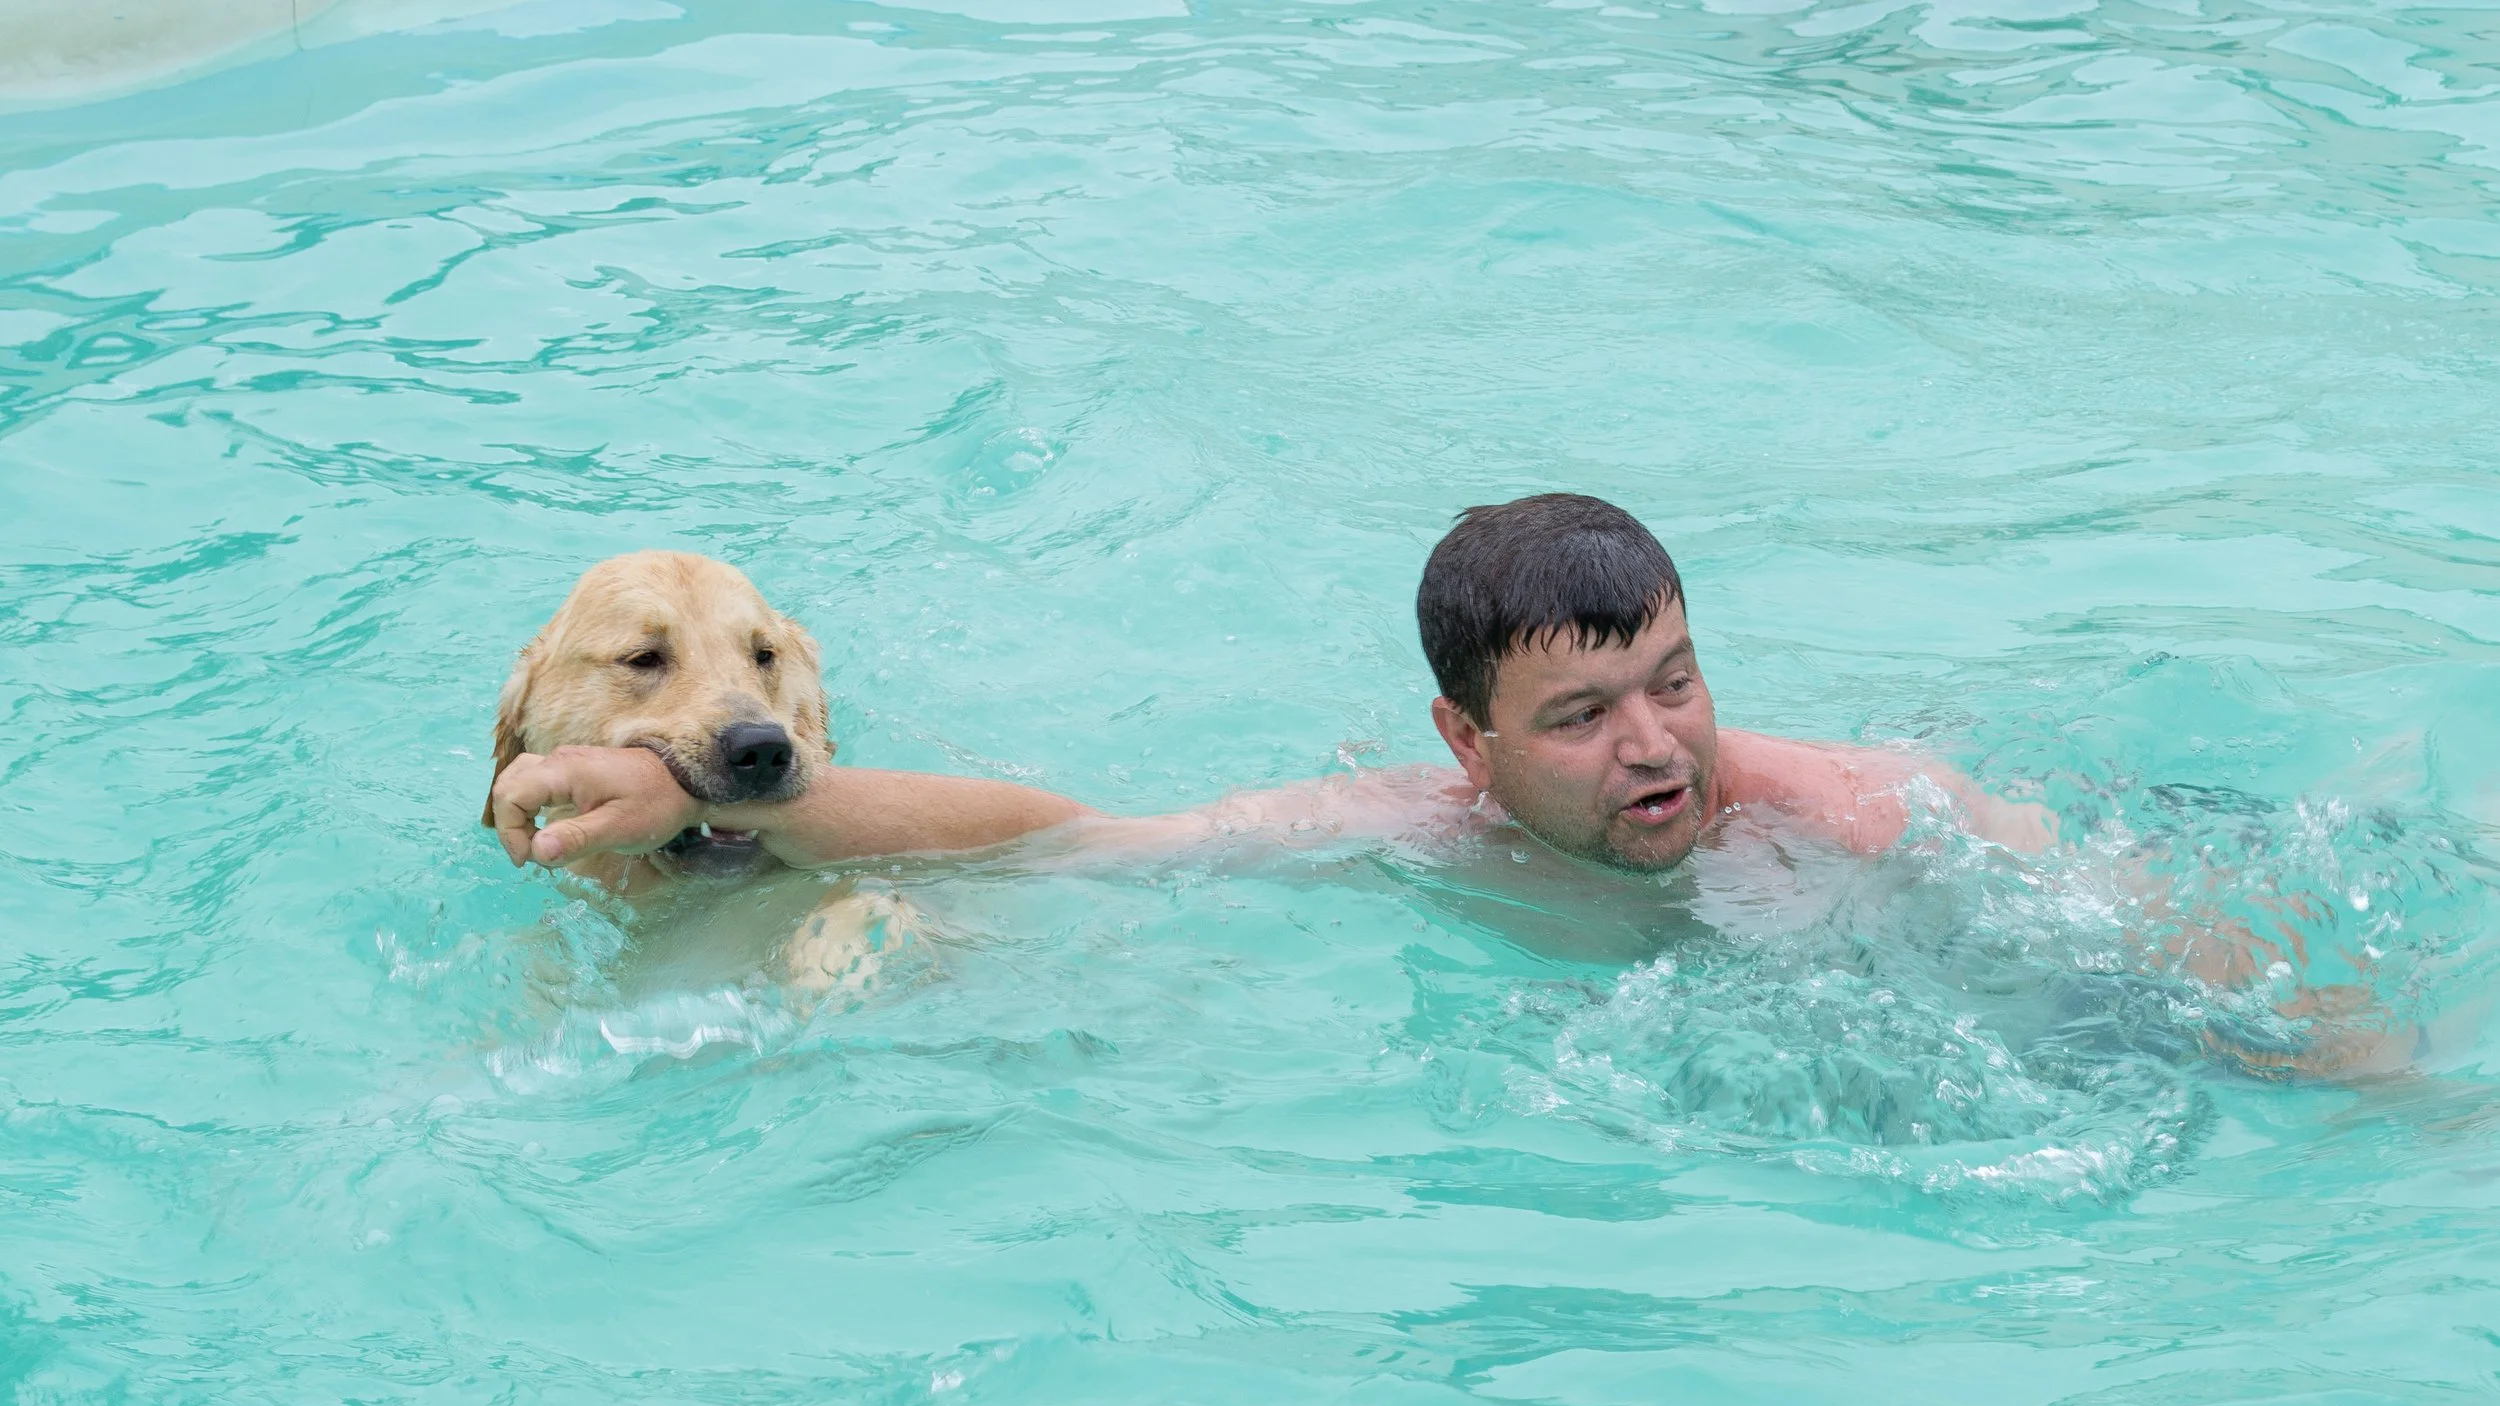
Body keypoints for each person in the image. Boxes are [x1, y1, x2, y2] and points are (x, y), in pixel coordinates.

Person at [488, 493, 2051, 878]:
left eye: (1678, 684)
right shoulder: (1422, 826)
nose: (1657, 749)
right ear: (1467, 744)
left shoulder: (1874, 815)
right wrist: (687, 790)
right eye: (1581, 717)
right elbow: (1080, 839)